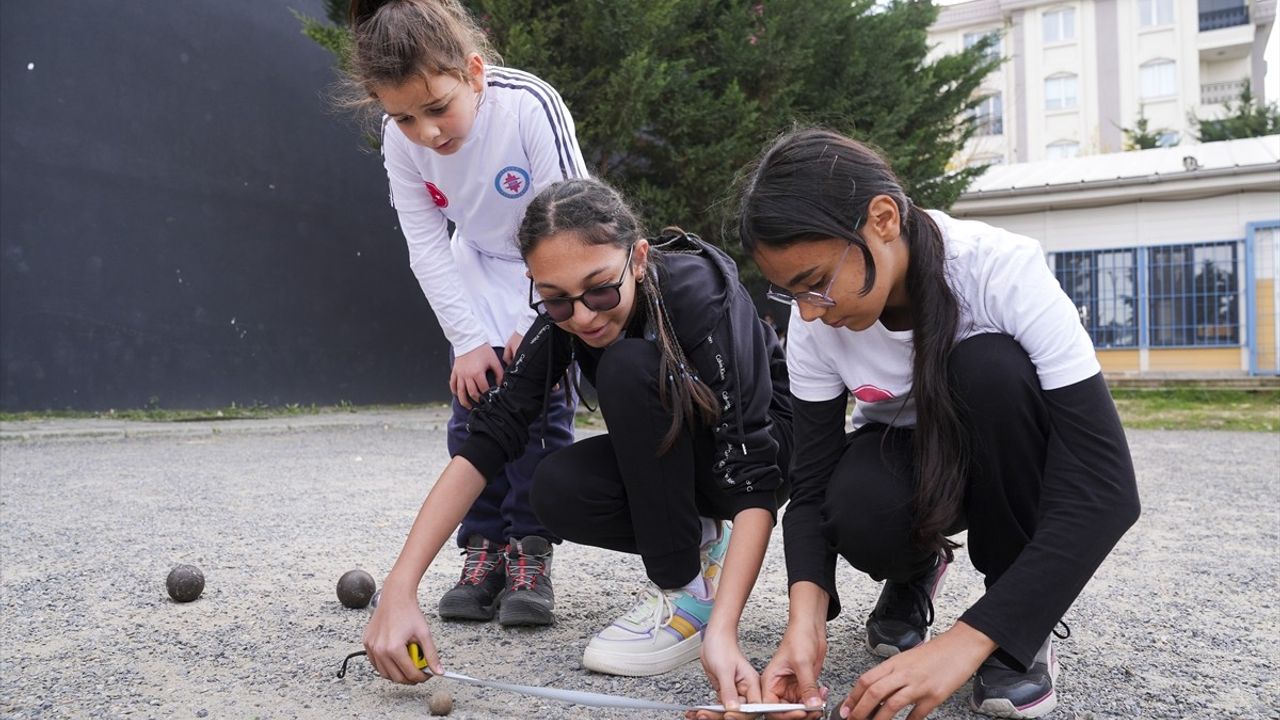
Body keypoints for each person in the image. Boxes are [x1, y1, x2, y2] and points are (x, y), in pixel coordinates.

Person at [732, 128, 1140, 720]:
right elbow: (812, 484)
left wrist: (966, 641)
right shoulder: (815, 325)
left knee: (991, 367)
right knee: (855, 499)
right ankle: (916, 568)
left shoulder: (998, 270)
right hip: (912, 464)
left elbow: (1107, 490)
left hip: (1005, 454)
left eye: (817, 282)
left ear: (882, 219)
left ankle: (1017, 622)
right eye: (791, 293)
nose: (810, 311)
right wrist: (806, 622)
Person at [363, 178, 793, 715]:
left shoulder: (698, 293)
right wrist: (400, 588)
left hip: (763, 452)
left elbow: (753, 465)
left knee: (628, 365)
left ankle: (690, 597)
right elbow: (489, 438)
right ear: (535, 284)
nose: (585, 315)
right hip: (692, 456)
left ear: (637, 258)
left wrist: (723, 630)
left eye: (600, 290)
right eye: (556, 299)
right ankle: (701, 544)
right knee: (557, 489)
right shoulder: (562, 319)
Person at [342, 0, 587, 627]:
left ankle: (531, 552)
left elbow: (574, 220)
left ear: (474, 73)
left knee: (539, 411)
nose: (425, 131)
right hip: (475, 265)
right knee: (475, 404)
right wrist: (469, 340)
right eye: (402, 115)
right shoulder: (401, 141)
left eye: (437, 108)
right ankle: (482, 552)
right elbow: (425, 244)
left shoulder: (530, 104)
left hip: (550, 265)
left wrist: (540, 321)